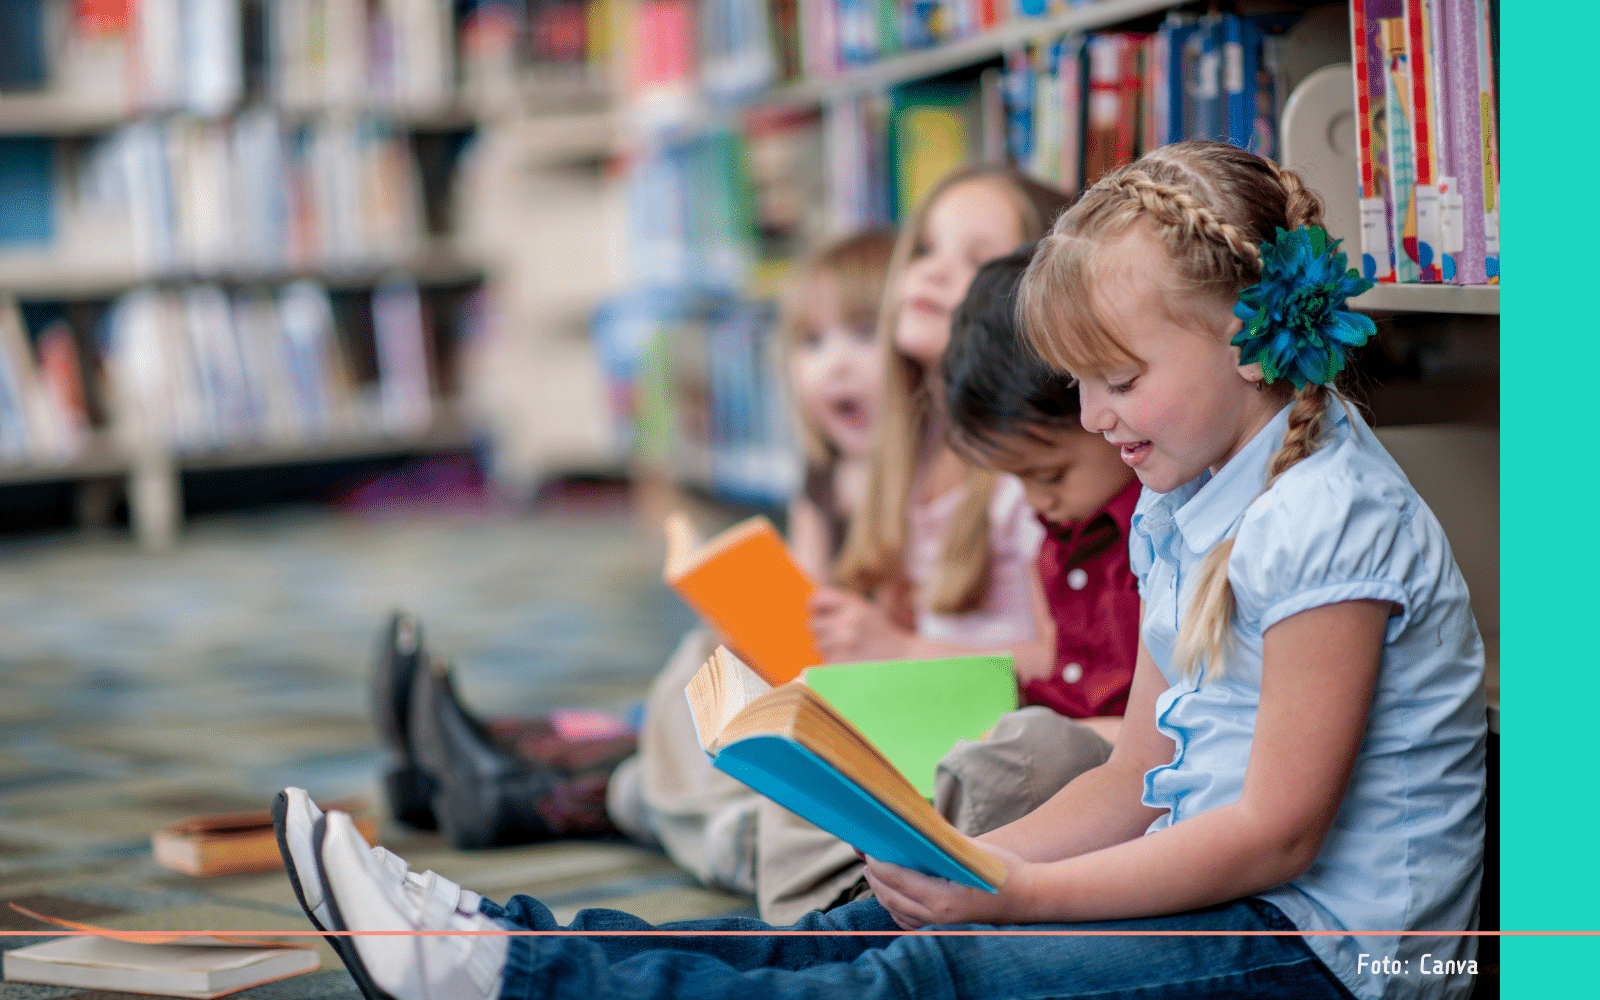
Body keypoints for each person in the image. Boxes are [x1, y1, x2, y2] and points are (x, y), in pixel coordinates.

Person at [286, 140, 1486, 1000]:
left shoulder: (1325, 517)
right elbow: (1142, 768)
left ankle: (503, 976)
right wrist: (967, 856)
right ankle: (503, 947)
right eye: (1077, 383)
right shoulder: (1180, 497)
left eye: (1117, 381)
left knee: (928, 973)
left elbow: (1275, 836)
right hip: (1243, 903)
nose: (1092, 418)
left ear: (1243, 340)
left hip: (1334, 949)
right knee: (853, 929)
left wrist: (1015, 893)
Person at [758, 166, 1074, 923]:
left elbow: (1062, 663)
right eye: (925, 247)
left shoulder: (1028, 471)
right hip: (920, 715)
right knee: (707, 700)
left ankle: (715, 831)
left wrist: (896, 647)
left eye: (970, 257)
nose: (929, 270)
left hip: (981, 721)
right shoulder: (910, 448)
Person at [601, 229, 897, 893]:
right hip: (818, 684)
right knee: (699, 662)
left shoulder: (926, 486)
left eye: (862, 335)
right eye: (812, 344)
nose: (835, 367)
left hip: (868, 704)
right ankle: (664, 802)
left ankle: (683, 816)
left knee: (658, 771)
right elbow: (802, 600)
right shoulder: (822, 479)